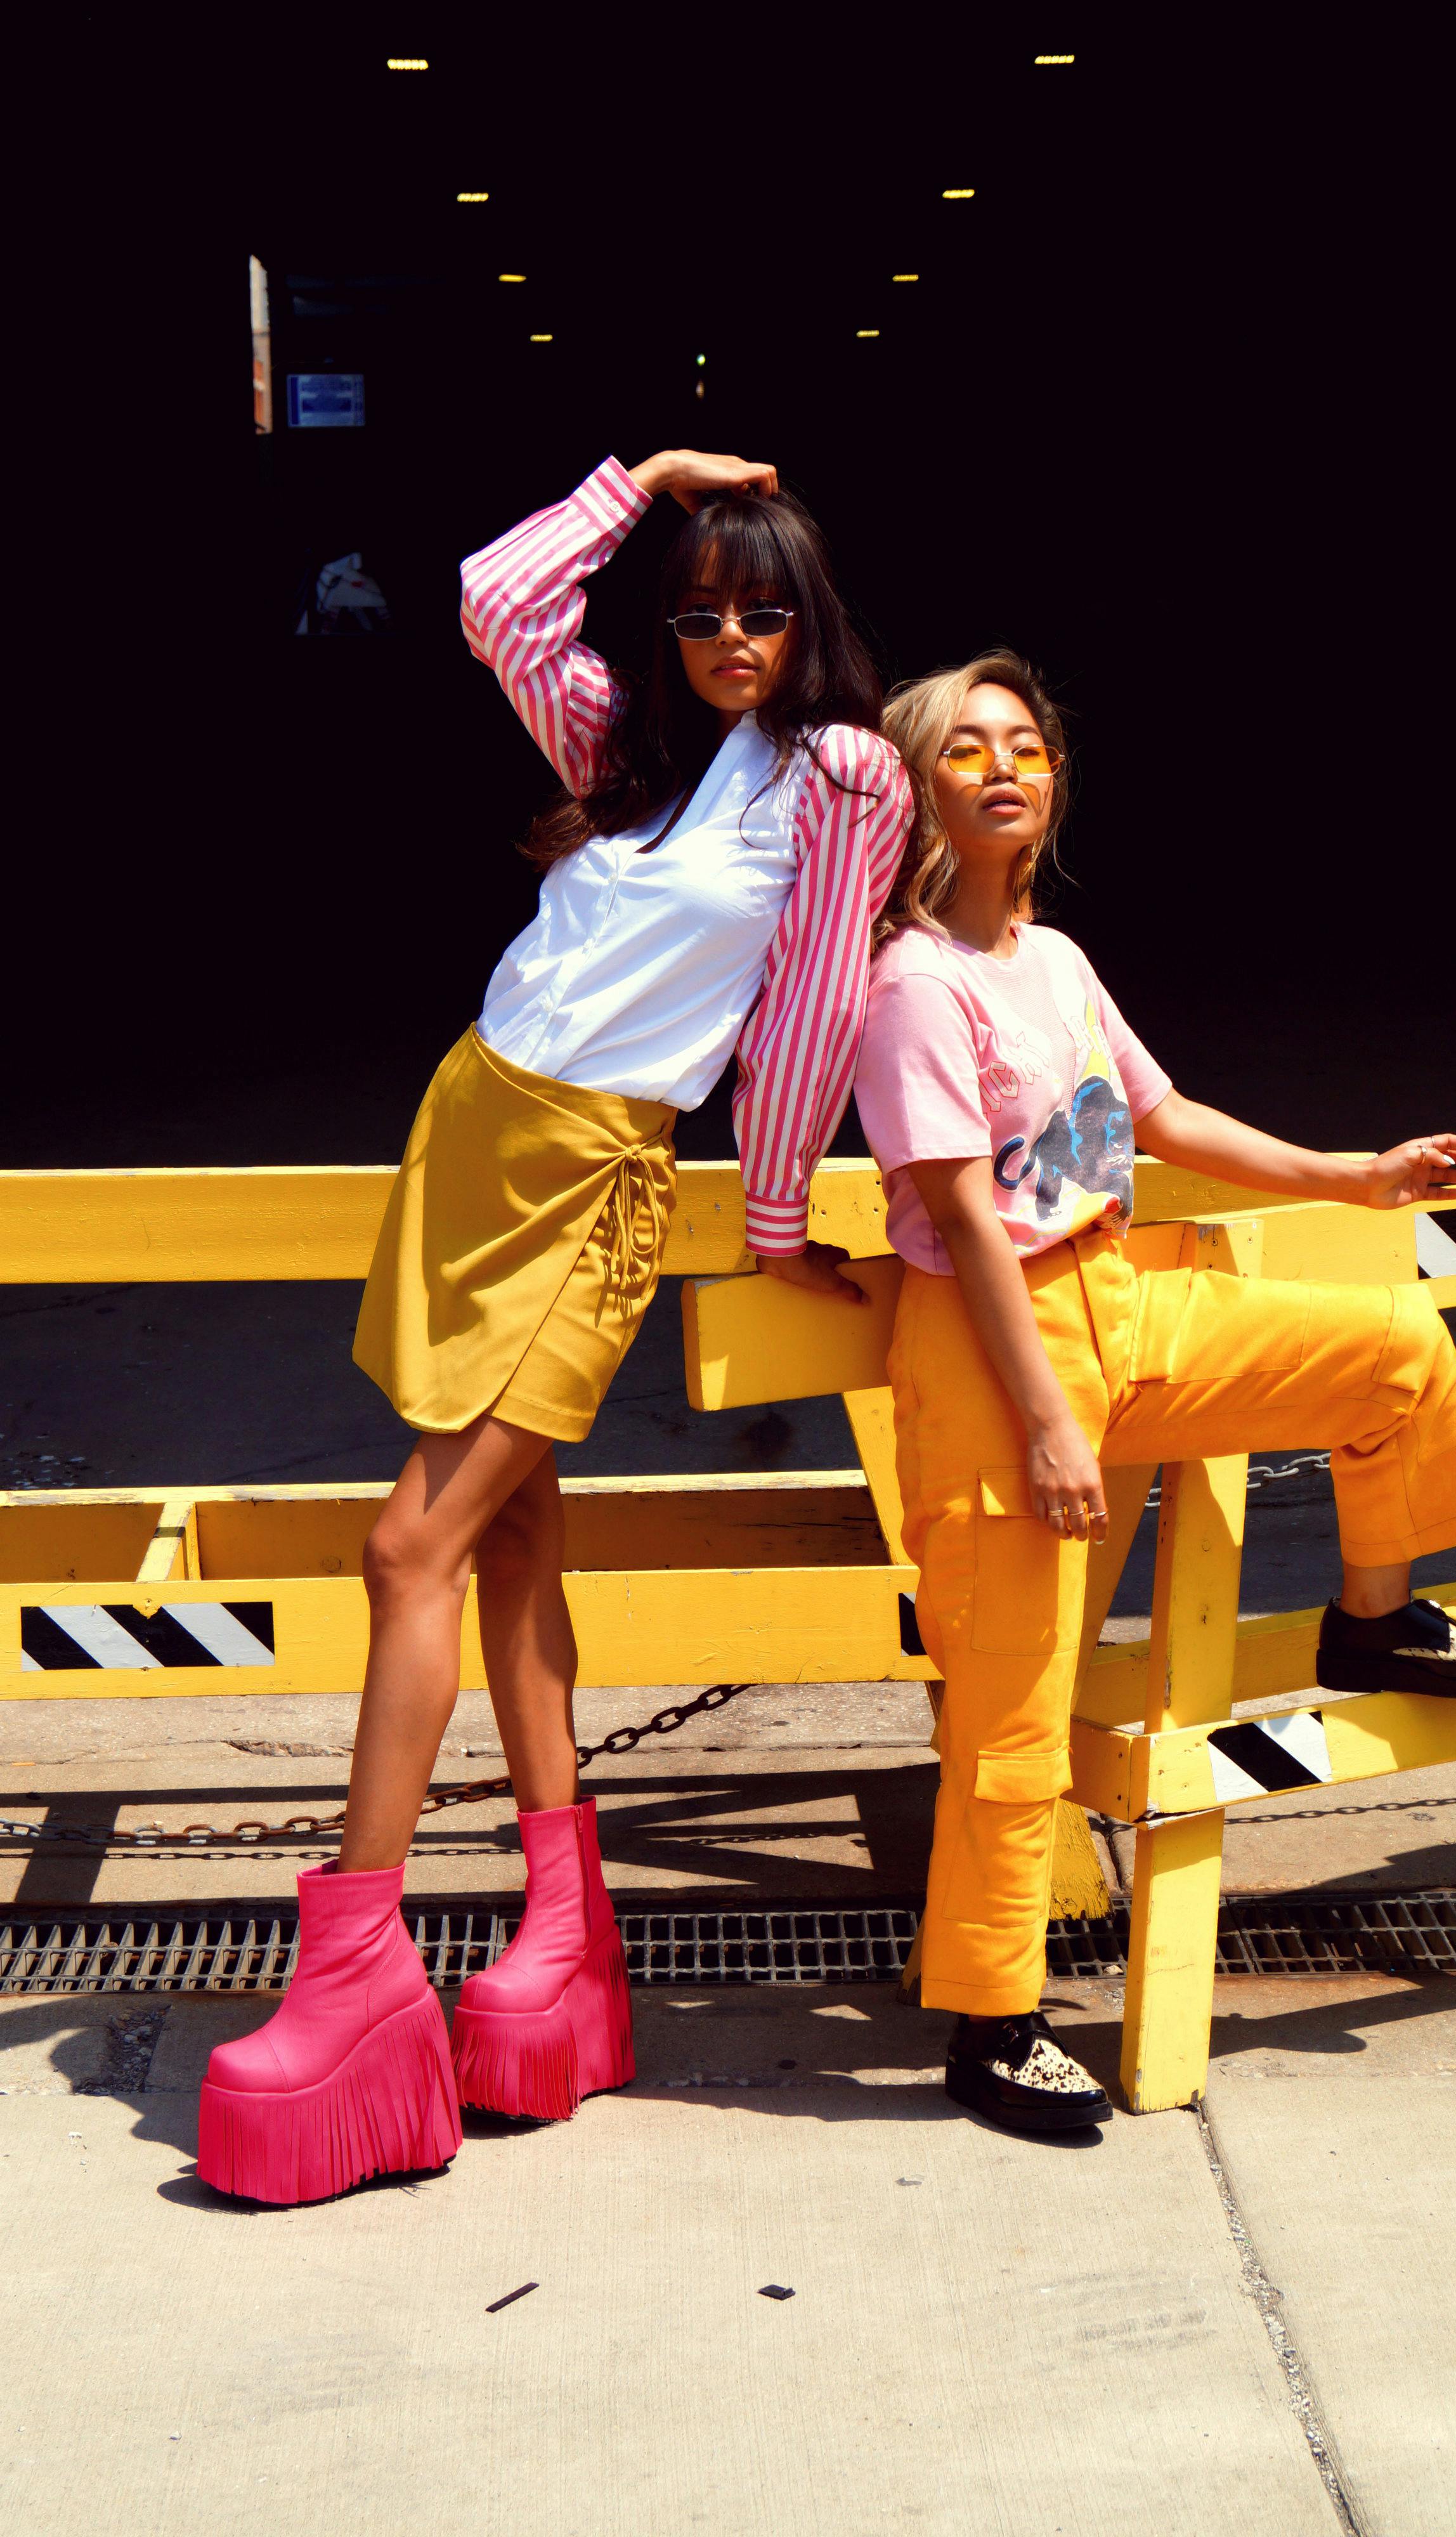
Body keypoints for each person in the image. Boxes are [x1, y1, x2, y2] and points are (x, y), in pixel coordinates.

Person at [198, 449, 911, 2203]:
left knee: (405, 1545)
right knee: (512, 1545)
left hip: (595, 1167)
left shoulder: (844, 776)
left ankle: (356, 1977)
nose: (733, 637)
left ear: (810, 618)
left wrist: (764, 1211)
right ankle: (564, 1948)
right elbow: (493, 599)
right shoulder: (633, 758)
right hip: (477, 1127)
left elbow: (814, 999)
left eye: (763, 608)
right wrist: (638, 480)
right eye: (702, 613)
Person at [852, 650, 1456, 2140]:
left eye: (1026, 746)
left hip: (1120, 1294)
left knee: (1394, 1350)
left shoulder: (1052, 960)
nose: (1004, 768)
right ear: (916, 788)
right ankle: (993, 2018)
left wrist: (1350, 1176)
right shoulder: (913, 985)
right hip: (992, 1349)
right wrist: (1047, 1421)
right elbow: (967, 1220)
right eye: (966, 749)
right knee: (1013, 1710)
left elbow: (1158, 1115)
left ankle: (1372, 1618)